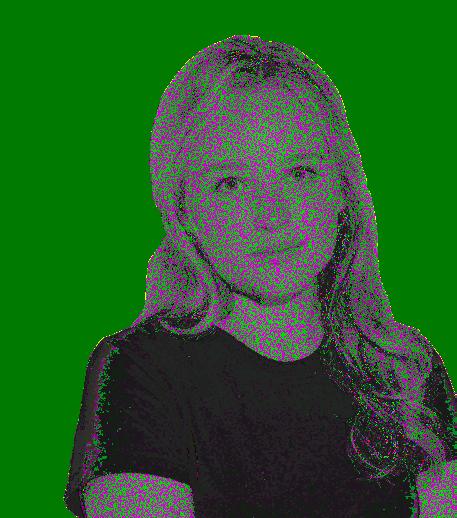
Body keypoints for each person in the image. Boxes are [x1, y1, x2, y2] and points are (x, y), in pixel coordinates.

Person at [64, 34, 457, 517]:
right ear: (183, 211)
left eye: (300, 172)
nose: (272, 214)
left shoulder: (404, 369)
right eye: (230, 183)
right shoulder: (138, 371)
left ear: (343, 190)